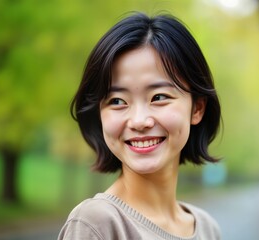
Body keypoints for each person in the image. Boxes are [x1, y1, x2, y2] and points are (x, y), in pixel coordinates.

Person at [58, 11, 221, 240]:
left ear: (197, 108)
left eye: (159, 97)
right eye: (117, 101)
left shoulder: (208, 229)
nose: (139, 121)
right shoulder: (97, 224)